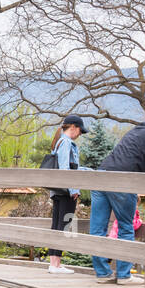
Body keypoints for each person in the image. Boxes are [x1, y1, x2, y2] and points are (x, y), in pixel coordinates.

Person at [90, 112, 145, 284]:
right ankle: (124, 275)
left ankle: (102, 273)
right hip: (123, 180)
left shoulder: (136, 130)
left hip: (101, 174)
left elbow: (134, 155)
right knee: (125, 227)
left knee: (97, 228)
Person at [46, 114, 89, 275]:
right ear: (73, 128)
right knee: (63, 225)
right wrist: (73, 190)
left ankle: (54, 263)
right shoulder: (66, 143)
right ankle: (56, 264)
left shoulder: (58, 142)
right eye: (79, 131)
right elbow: (65, 168)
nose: (79, 135)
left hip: (58, 190)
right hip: (66, 191)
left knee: (57, 223)